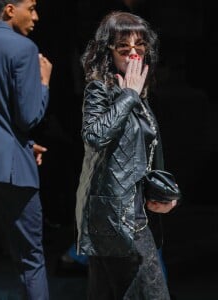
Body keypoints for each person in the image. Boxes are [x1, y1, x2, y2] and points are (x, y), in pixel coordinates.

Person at [75, 11, 177, 300]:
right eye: (123, 47)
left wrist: (162, 192)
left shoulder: (138, 94)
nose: (133, 53)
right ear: (108, 52)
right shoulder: (101, 90)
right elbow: (94, 135)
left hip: (134, 214)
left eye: (140, 46)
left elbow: (144, 155)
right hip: (116, 218)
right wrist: (128, 96)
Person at [0, 0, 52, 299]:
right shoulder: (23, 48)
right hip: (12, 169)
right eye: (30, 8)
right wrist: (44, 83)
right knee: (30, 260)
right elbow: (28, 116)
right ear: (8, 10)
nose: (36, 16)